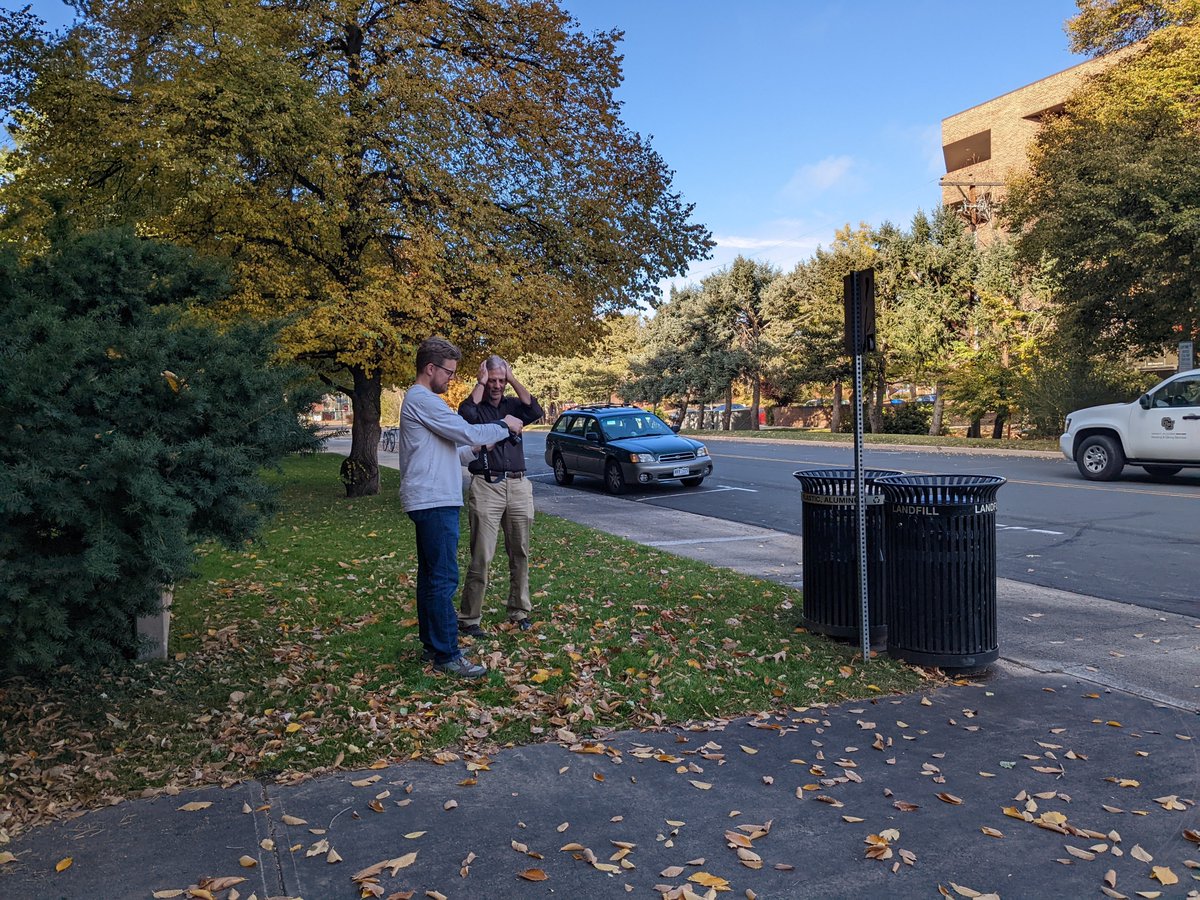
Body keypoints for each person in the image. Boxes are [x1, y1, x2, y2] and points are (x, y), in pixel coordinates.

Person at [398, 337, 524, 678]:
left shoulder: (421, 402)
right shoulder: (422, 398)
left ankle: (435, 643)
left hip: (431, 497)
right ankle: (446, 655)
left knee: (431, 577)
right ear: (430, 369)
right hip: (434, 500)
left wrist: (478, 450)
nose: (451, 379)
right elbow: (465, 430)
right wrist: (503, 425)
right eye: (449, 372)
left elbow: (452, 449)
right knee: (442, 578)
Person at [457, 356, 544, 636]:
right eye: (492, 380)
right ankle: (470, 619)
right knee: (482, 555)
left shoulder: (513, 405)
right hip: (486, 485)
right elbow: (465, 415)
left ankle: (519, 612)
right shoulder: (477, 406)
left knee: (520, 552)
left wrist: (513, 378)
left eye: (500, 380)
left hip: (518, 485)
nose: (496, 385)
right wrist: (480, 382)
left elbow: (535, 409)